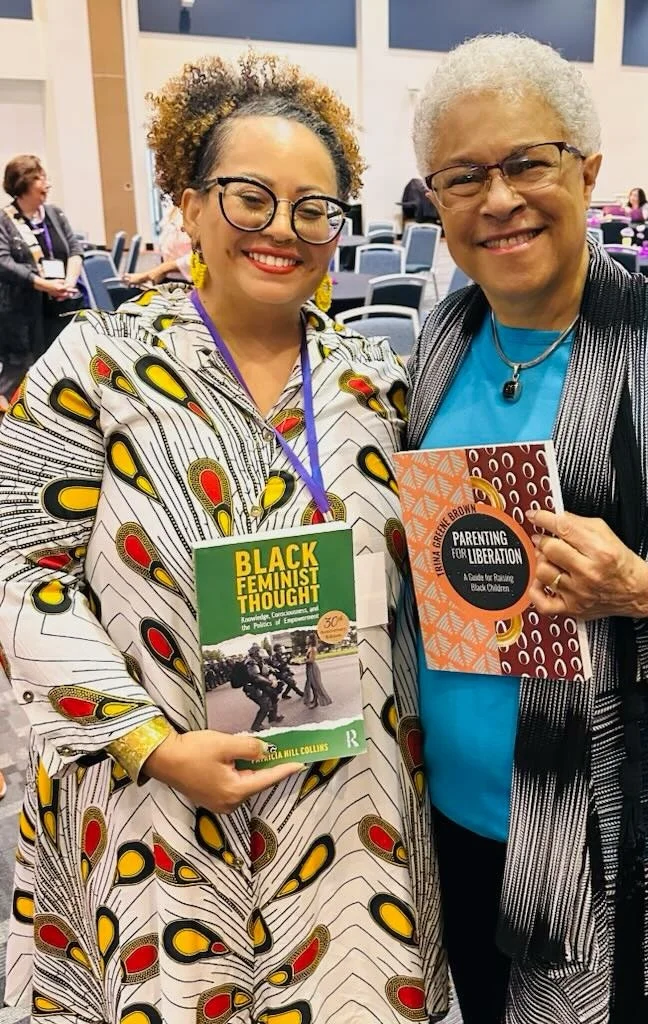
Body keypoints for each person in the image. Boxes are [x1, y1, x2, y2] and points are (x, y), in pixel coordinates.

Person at [0, 51, 447, 1023]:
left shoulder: (379, 384)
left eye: (314, 209)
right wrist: (150, 744)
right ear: (191, 203)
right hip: (152, 803)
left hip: (347, 814)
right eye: (251, 197)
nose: (282, 228)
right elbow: (20, 572)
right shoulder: (97, 367)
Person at [408, 32, 648, 1024]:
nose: (498, 198)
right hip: (448, 814)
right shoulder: (443, 339)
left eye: (528, 161)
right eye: (462, 176)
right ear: (436, 200)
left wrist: (646, 589)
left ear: (588, 170)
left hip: (608, 832)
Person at [0, 154, 83, 407]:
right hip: (21, 311)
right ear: (23, 184)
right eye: (40, 178)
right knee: (18, 369)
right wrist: (43, 284)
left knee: (59, 363)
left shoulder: (55, 214)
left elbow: (75, 250)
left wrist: (69, 282)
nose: (47, 184)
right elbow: (3, 262)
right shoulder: (4, 220)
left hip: (59, 304)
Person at [303, 634, 332, 708]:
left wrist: (304, 661)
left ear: (311, 640)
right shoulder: (309, 647)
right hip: (309, 668)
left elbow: (312, 660)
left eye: (307, 638)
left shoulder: (313, 649)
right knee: (311, 685)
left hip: (312, 668)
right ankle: (314, 700)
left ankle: (317, 702)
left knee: (315, 685)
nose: (306, 640)